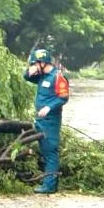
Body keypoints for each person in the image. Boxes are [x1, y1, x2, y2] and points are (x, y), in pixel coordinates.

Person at [24, 48, 69, 194]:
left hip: (51, 120)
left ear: (43, 62)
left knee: (50, 151)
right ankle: (48, 182)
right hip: (40, 119)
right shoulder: (42, 76)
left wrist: (49, 107)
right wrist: (29, 71)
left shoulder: (57, 77)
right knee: (44, 150)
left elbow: (63, 97)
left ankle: (50, 185)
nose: (35, 66)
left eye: (35, 63)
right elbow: (27, 78)